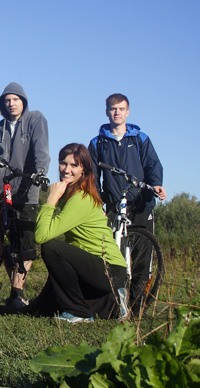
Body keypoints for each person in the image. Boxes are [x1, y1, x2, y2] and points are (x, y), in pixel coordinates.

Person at [88, 93, 166, 314]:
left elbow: (153, 165)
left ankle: (137, 305)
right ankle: (115, 303)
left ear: (127, 112)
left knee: (143, 256)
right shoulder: (98, 142)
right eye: (113, 109)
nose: (117, 112)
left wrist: (156, 185)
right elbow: (93, 176)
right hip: (114, 203)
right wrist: (98, 201)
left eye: (121, 109)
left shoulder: (140, 138)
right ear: (107, 112)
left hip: (140, 203)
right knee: (114, 254)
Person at [33, 143, 127, 322]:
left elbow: (41, 236)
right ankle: (113, 302)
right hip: (94, 268)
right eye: (63, 163)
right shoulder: (72, 194)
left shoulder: (80, 198)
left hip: (109, 269)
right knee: (46, 309)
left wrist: (51, 199)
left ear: (84, 170)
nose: (66, 169)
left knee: (51, 248)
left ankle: (78, 312)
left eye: (74, 165)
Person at [0, 82, 50, 312]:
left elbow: (41, 149)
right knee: (3, 239)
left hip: (27, 187)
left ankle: (17, 292)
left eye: (16, 99)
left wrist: (40, 173)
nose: (11, 104)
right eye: (7, 100)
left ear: (23, 101)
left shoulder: (35, 119)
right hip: (1, 190)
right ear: (2, 104)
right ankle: (14, 290)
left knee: (26, 242)